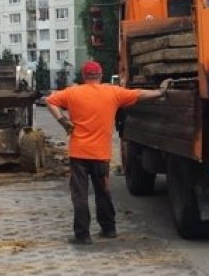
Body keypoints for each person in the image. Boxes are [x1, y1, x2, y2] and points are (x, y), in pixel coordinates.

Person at [46, 61, 171, 244]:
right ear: (101, 75)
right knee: (103, 192)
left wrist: (62, 120)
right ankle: (109, 229)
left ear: (83, 76)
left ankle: (83, 235)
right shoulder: (112, 92)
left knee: (79, 194)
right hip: (101, 155)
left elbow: (50, 100)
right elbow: (139, 94)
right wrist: (160, 91)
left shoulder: (73, 92)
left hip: (78, 153)